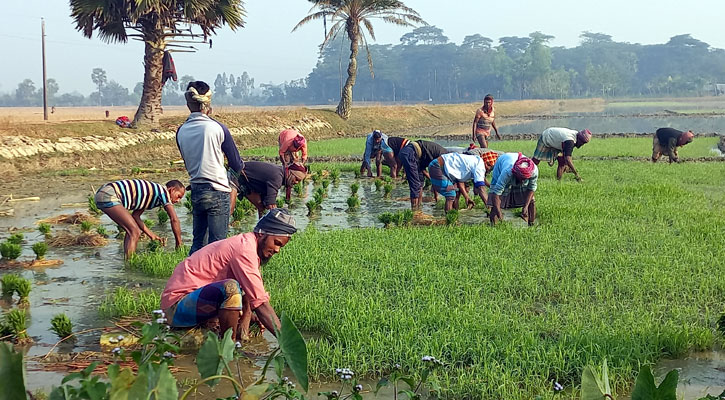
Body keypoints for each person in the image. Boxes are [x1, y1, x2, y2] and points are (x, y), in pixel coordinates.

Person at [160, 209, 296, 341]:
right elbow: (260, 303)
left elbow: (252, 289)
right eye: (276, 243)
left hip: (195, 300)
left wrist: (245, 319)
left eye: (281, 246)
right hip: (175, 308)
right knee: (231, 288)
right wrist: (287, 342)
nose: (277, 250)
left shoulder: (250, 248)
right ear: (261, 233)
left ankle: (228, 336)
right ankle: (229, 348)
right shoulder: (244, 250)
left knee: (240, 291)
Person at [176, 81, 244, 255]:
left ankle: (190, 278)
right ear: (208, 104)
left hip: (197, 190)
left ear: (188, 104)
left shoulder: (181, 131)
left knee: (198, 244)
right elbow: (237, 164)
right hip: (217, 191)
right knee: (218, 247)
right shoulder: (217, 128)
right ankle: (214, 281)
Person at [94, 179, 185, 258]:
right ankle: (130, 265)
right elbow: (174, 219)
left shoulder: (152, 194)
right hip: (109, 194)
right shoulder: (163, 192)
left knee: (131, 230)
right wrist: (179, 243)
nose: (178, 201)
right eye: (178, 196)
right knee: (134, 231)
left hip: (104, 193)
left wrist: (151, 235)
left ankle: (128, 262)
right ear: (172, 190)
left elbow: (136, 217)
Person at [229, 161, 306, 218]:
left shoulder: (280, 173)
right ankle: (221, 237)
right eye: (296, 179)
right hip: (235, 176)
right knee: (229, 210)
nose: (296, 182)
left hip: (246, 182)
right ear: (291, 173)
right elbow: (271, 204)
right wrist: (279, 221)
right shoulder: (277, 177)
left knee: (261, 206)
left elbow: (266, 200)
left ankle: (261, 229)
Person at [488, 153, 539, 226]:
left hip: (518, 171)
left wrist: (525, 206)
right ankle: (493, 225)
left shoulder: (534, 171)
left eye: (523, 180)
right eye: (520, 179)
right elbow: (496, 193)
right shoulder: (507, 172)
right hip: (501, 164)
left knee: (531, 201)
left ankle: (531, 224)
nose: (521, 182)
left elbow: (531, 189)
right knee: (497, 203)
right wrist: (500, 214)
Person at [397, 139, 449, 209]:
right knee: (415, 184)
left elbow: (424, 170)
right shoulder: (443, 157)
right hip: (410, 153)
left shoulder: (441, 156)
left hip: (415, 156)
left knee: (420, 181)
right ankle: (415, 211)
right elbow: (436, 178)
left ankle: (419, 206)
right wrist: (436, 196)